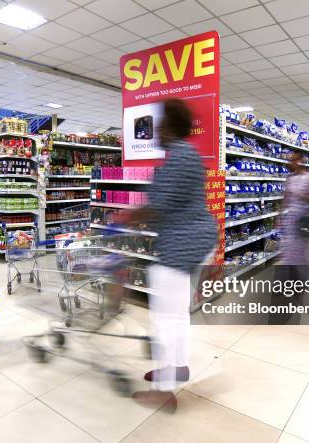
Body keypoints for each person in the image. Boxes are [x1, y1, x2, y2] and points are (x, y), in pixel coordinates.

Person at [124, 98, 217, 411]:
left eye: (160, 122)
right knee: (177, 313)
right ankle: (177, 367)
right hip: (197, 241)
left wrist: (124, 219)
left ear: (170, 126)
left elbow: (157, 206)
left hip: (183, 245)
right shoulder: (186, 154)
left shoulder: (178, 157)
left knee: (163, 317)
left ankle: (163, 391)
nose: (157, 129)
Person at [278, 151, 309, 267]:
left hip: (302, 218)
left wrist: (303, 195)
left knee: (301, 248)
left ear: (299, 161)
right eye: (290, 160)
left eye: (293, 160)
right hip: (289, 219)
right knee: (289, 248)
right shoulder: (290, 178)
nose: (291, 163)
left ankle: (301, 276)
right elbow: (285, 198)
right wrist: (279, 217)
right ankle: (290, 274)